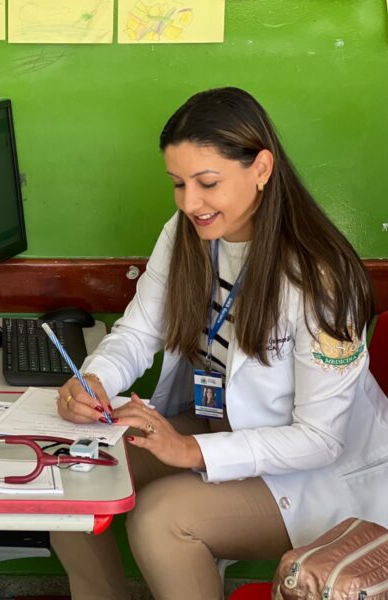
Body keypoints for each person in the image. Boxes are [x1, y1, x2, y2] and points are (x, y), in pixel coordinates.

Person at [51, 87, 388, 600]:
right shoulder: (188, 233)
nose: (190, 202)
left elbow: (320, 440)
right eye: (179, 184)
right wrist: (96, 380)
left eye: (208, 183)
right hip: (219, 426)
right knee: (75, 474)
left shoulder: (321, 276)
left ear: (261, 169)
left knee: (161, 520)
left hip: (317, 474)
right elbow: (140, 331)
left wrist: (189, 450)